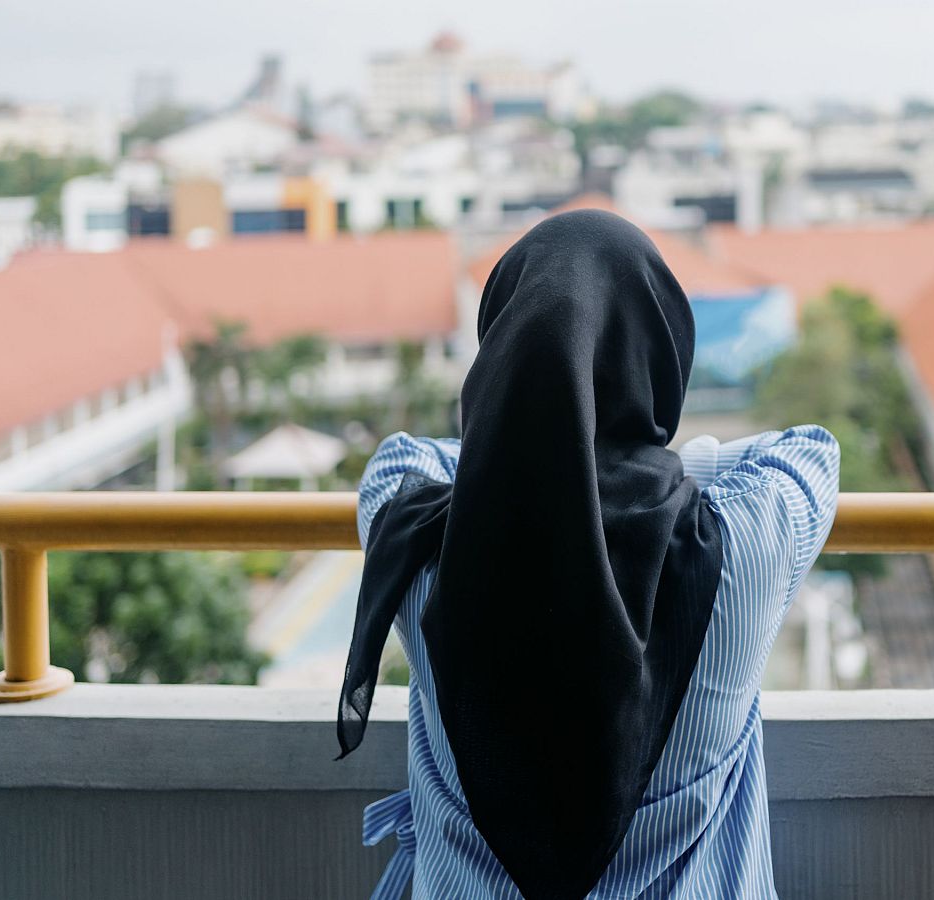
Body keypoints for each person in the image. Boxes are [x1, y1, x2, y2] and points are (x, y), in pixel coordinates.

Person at [339, 209, 839, 899]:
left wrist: (533, 448)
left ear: (498, 352)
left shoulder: (420, 546)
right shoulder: (742, 547)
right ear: (663, 361)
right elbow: (808, 452)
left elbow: (403, 458)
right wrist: (661, 476)